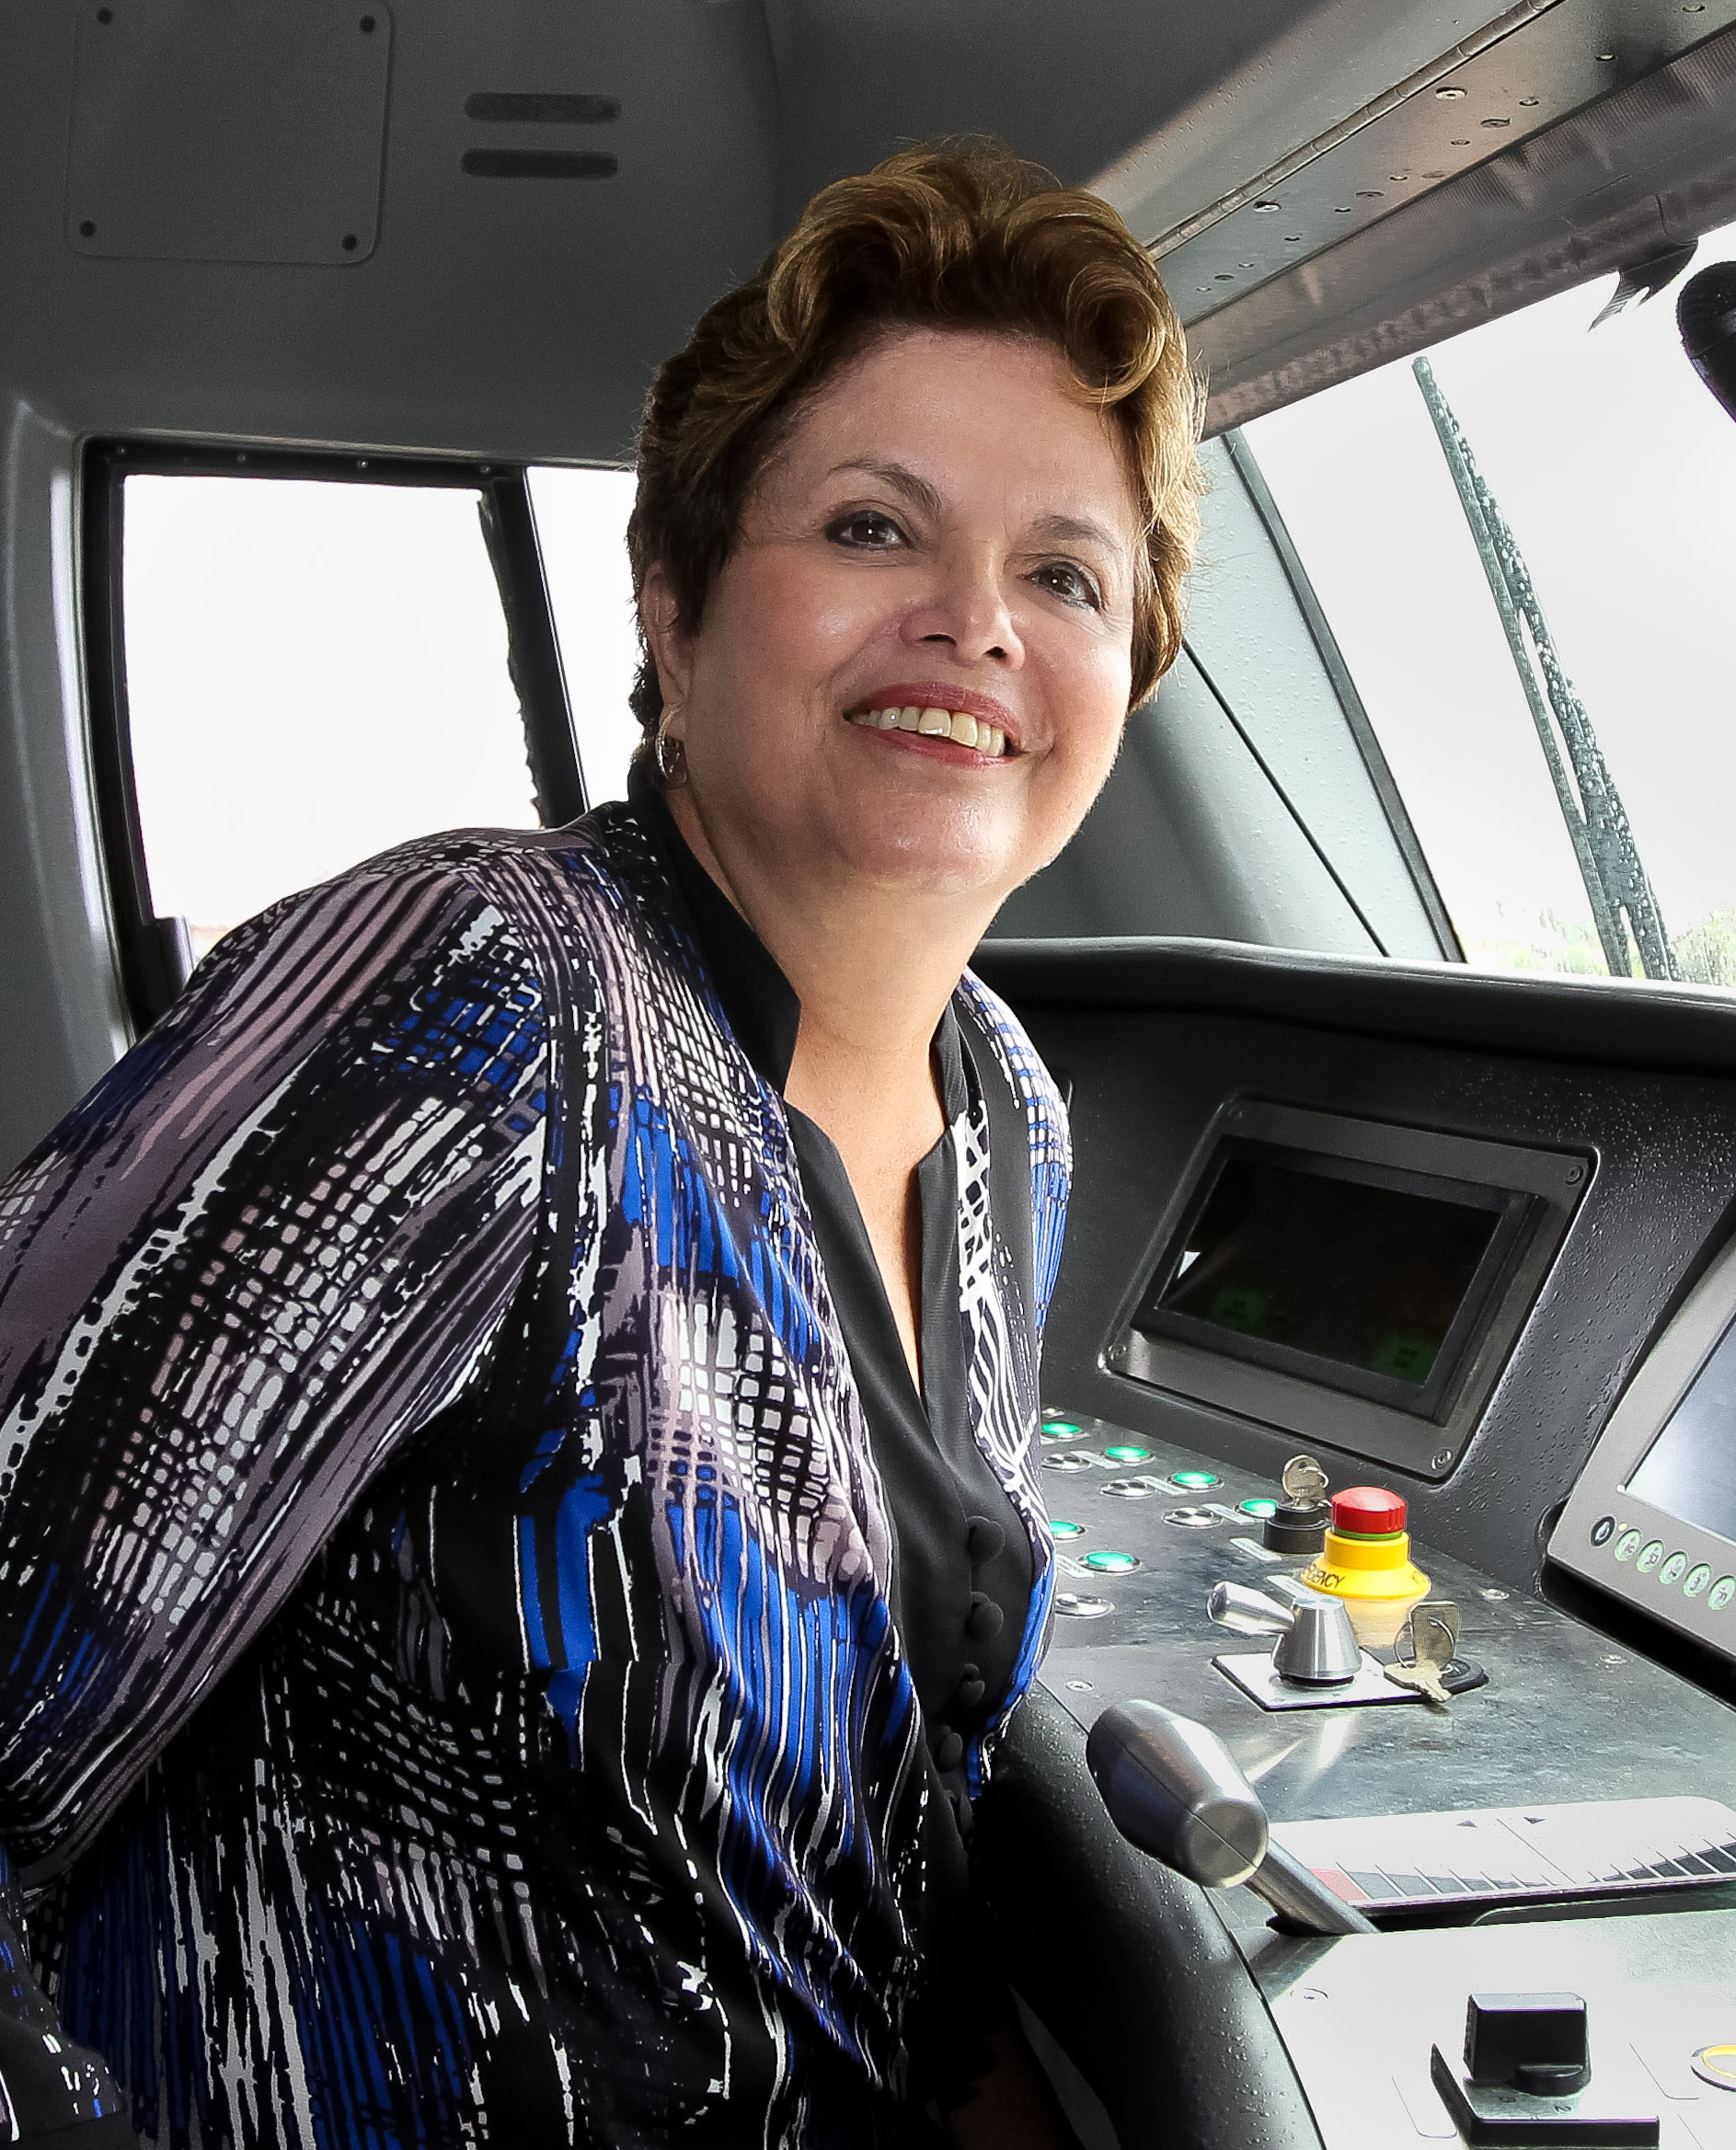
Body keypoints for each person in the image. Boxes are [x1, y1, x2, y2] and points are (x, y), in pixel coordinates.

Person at [0, 138, 1201, 2144]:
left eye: (1064, 571)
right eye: (872, 526)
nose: (975, 622)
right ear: (678, 603)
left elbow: (874, 1863)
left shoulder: (1007, 1112)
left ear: (1125, 667)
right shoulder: (484, 982)